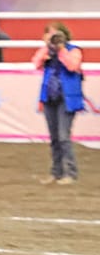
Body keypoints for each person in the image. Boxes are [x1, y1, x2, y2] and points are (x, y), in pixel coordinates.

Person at [32, 22, 84, 185]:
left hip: (66, 98)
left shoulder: (73, 50)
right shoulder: (47, 52)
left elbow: (72, 66)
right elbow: (36, 63)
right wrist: (48, 49)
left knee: (63, 137)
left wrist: (61, 49)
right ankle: (56, 172)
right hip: (50, 98)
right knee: (54, 138)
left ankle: (70, 172)